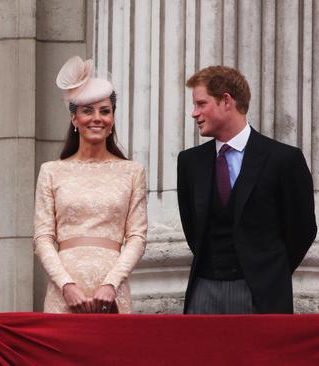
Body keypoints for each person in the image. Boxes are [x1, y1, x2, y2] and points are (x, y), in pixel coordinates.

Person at [178, 65, 317, 314]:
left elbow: (302, 229)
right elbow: (192, 229)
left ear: (226, 101)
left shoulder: (284, 159)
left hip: (262, 295)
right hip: (203, 290)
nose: (194, 113)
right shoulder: (190, 163)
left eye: (201, 104)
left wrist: (268, 271)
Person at [33, 56, 147, 314]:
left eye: (104, 111)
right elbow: (43, 238)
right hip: (64, 291)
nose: (97, 118)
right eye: (87, 110)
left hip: (113, 290)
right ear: (74, 119)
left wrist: (111, 283)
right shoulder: (52, 171)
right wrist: (66, 284)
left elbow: (137, 237)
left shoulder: (132, 171)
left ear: (113, 119)